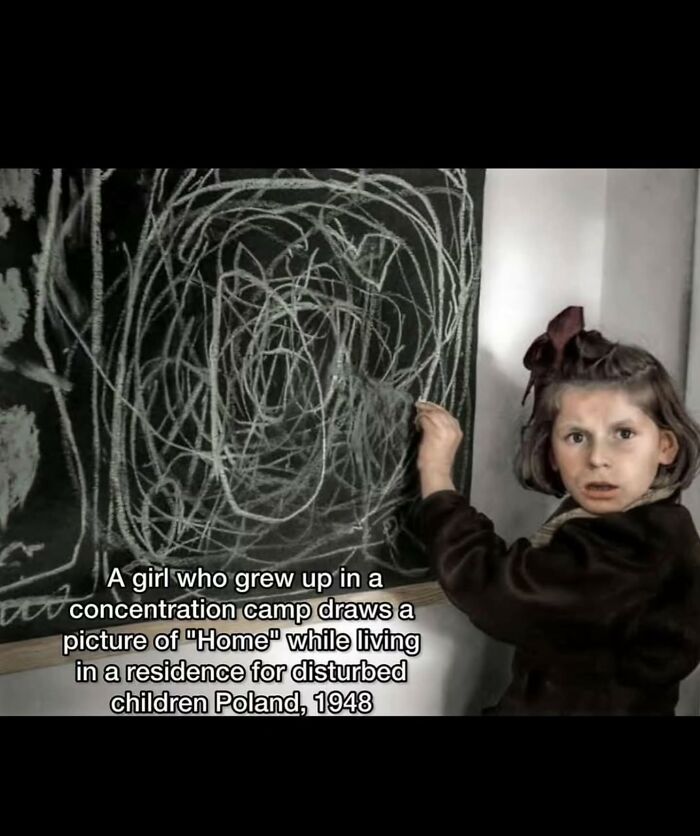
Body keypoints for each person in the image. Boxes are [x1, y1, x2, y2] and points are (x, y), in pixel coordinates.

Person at [414, 305, 700, 715]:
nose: (599, 458)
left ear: (666, 446)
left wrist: (437, 475)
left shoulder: (640, 546)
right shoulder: (631, 523)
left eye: (624, 433)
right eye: (576, 437)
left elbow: (498, 591)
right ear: (551, 451)